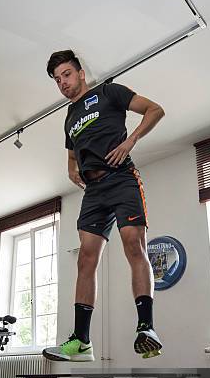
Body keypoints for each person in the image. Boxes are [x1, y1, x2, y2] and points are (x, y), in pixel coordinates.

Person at [42, 49, 164, 362]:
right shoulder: (69, 117)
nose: (63, 83)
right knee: (85, 259)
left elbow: (154, 110)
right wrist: (71, 168)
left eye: (67, 75)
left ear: (81, 72)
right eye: (57, 80)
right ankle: (81, 341)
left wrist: (130, 140)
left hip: (121, 178)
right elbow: (71, 152)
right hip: (93, 191)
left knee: (133, 245)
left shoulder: (109, 92)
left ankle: (146, 327)